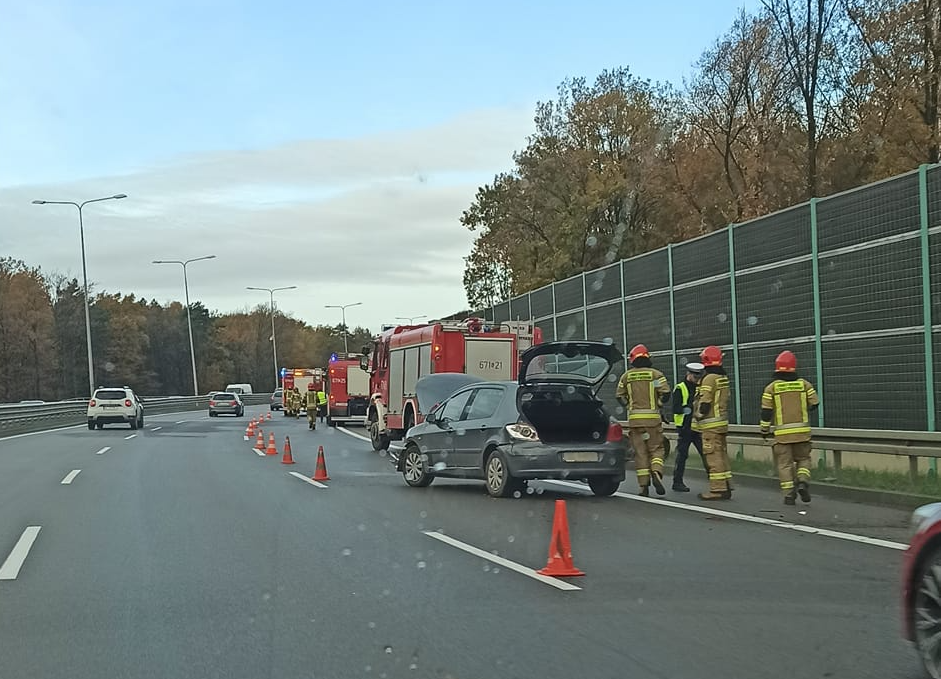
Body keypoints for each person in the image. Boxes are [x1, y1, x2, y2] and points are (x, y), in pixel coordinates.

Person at [759, 350, 820, 505]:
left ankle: (789, 495)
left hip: (782, 436)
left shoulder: (771, 388)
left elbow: (766, 412)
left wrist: (764, 430)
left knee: (784, 465)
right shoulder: (804, 384)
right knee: (804, 459)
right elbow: (815, 403)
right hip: (802, 433)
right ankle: (802, 481)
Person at [616, 344, 672, 496]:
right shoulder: (655, 375)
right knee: (657, 449)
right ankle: (656, 471)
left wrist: (629, 406)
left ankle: (643, 486)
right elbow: (665, 393)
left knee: (640, 453)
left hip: (635, 421)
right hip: (653, 421)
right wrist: (659, 403)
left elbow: (619, 396)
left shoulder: (626, 377)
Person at [692, 345, 733, 501]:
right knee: (721, 455)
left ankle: (717, 489)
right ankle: (727, 484)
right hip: (721, 423)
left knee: (712, 457)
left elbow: (706, 400)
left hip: (710, 425)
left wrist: (699, 415)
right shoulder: (723, 377)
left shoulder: (709, 378)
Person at [671, 362, 705, 492]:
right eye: (695, 377)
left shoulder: (700, 388)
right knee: (682, 455)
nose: (697, 380)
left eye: (698, 377)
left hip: (698, 427)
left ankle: (715, 482)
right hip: (685, 428)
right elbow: (676, 408)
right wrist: (691, 408)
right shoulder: (680, 388)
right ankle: (677, 482)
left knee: (706, 453)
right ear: (688, 374)